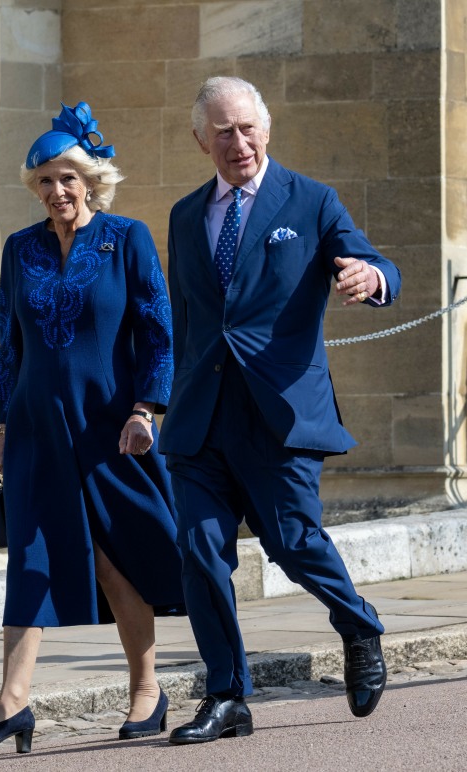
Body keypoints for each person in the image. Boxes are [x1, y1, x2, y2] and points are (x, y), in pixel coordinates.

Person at [159, 76, 401, 744]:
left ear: (266, 130)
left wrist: (372, 278)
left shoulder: (312, 201)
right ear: (201, 139)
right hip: (201, 417)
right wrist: (156, 400)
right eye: (223, 132)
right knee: (199, 553)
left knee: (294, 544)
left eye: (247, 128)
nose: (237, 143)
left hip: (279, 413)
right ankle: (227, 695)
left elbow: (378, 263)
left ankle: (358, 624)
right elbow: (183, 320)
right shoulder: (184, 215)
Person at [0, 103, 184, 754]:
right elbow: (10, 346)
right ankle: (12, 702)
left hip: (111, 428)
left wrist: (146, 409)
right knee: (30, 557)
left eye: (67, 178)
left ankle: (147, 690)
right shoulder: (19, 249)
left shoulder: (127, 238)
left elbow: (158, 332)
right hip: (35, 429)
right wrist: (3, 425)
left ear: (90, 181)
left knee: (114, 559)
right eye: (46, 181)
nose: (57, 191)